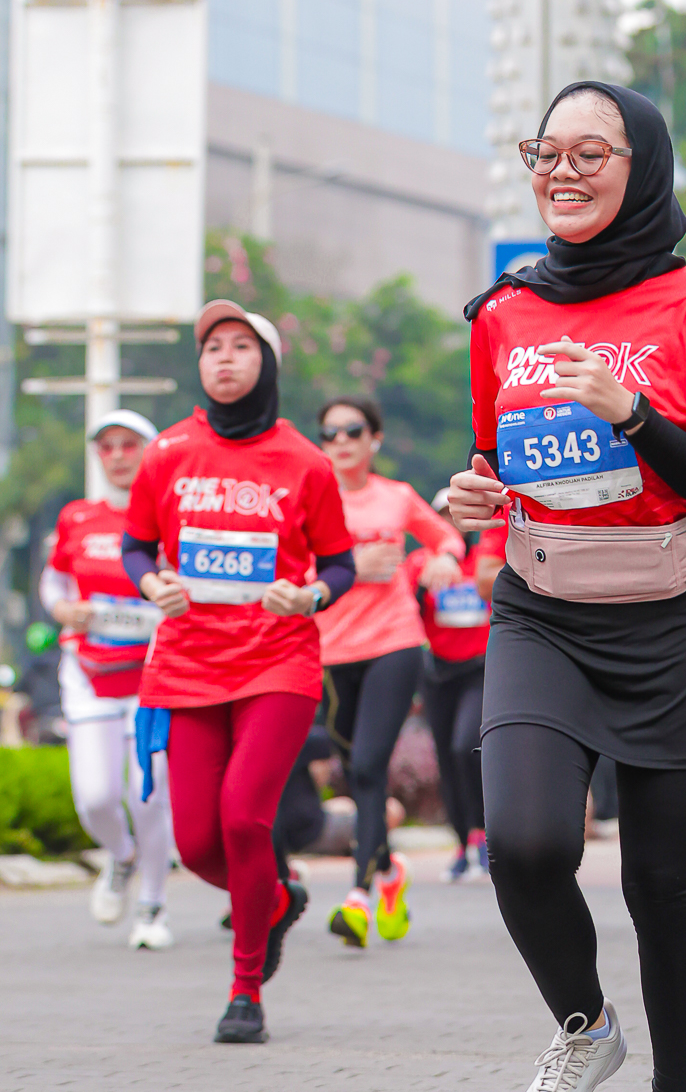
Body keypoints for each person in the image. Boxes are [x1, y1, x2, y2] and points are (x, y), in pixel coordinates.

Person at [449, 80, 686, 1092]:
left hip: (675, 618)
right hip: (541, 612)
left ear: (643, 166)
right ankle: (583, 1029)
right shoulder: (502, 313)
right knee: (524, 845)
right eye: (547, 151)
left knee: (663, 887)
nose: (563, 171)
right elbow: (498, 461)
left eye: (591, 152)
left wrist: (633, 415)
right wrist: (473, 494)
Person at [122, 301, 355, 1045]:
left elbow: (340, 564)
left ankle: (245, 988)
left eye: (240, 346)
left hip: (277, 662)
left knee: (244, 819)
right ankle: (276, 896)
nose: (223, 358)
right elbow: (135, 545)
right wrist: (150, 582)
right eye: (212, 347)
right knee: (197, 844)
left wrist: (311, 595)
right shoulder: (167, 452)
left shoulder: (306, 462)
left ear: (268, 363)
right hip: (188, 664)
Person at [315, 397, 463, 949]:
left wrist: (443, 558)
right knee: (356, 774)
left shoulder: (396, 496)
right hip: (331, 650)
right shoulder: (311, 500)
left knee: (369, 766)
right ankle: (389, 869)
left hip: (393, 643)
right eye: (330, 433)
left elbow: (446, 536)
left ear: (374, 439)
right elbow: (288, 565)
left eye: (353, 430)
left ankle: (357, 897)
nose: (341, 441)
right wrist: (351, 567)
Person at [39, 411, 174, 949]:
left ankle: (152, 906)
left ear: (149, 451)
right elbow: (54, 579)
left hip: (153, 677)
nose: (117, 456)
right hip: (89, 674)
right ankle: (121, 857)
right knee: (95, 797)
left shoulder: (171, 518)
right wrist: (62, 609)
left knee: (148, 794)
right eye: (107, 446)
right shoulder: (77, 516)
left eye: (129, 445)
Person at [409, 509, 506, 883]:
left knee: (466, 745)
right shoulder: (421, 563)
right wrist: (422, 585)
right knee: (446, 758)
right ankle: (463, 843)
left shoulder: (486, 558)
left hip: (480, 668)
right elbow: (406, 611)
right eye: (443, 517)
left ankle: (485, 835)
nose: (453, 524)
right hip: (438, 673)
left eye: (457, 515)